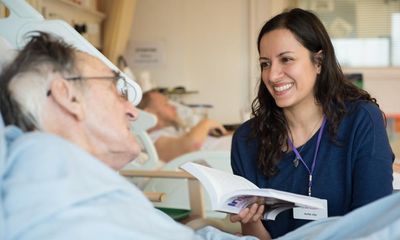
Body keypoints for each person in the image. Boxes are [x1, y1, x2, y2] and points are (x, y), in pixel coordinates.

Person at [0, 31, 257, 240]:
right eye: (115, 89)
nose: (133, 112)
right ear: (69, 97)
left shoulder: (84, 187)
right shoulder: (56, 201)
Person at [230, 8, 394, 239]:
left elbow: (373, 225)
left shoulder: (362, 121)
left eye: (286, 59)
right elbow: (255, 235)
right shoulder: (247, 140)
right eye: (265, 63)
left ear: (319, 61)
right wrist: (250, 221)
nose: (273, 75)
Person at [138, 89, 231, 162]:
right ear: (148, 113)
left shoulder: (173, 131)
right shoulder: (151, 140)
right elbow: (192, 145)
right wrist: (207, 123)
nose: (174, 107)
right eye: (165, 104)